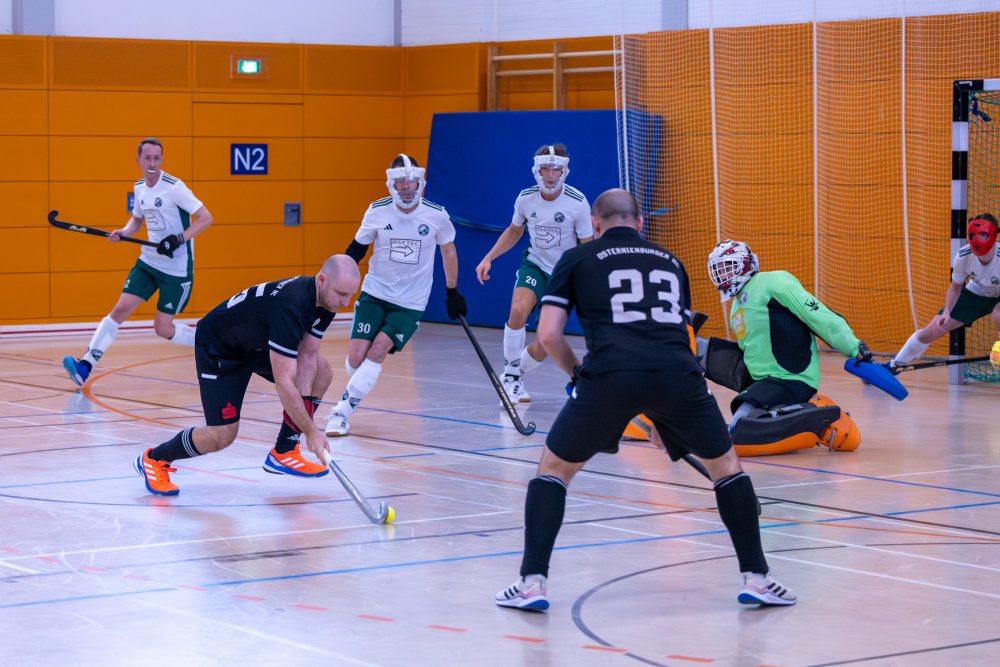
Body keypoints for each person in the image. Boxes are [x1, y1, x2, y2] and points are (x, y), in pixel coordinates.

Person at [495, 189, 797, 612]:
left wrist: (578, 376)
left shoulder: (577, 259)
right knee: (726, 467)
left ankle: (532, 583)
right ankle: (758, 578)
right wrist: (664, 417)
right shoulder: (671, 261)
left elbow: (547, 335)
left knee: (554, 470)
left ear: (595, 224)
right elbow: (676, 337)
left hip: (609, 375)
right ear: (640, 223)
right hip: (679, 377)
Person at [134, 255, 361, 495]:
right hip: (219, 348)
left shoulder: (326, 301)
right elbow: (284, 383)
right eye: (341, 294)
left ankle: (284, 451)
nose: (345, 302)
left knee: (322, 372)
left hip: (253, 345)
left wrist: (303, 429)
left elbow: (308, 356)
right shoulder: (292, 304)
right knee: (222, 435)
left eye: (350, 295)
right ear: (322, 280)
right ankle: (155, 458)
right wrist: (311, 431)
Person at [324, 154, 466, 437]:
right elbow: (356, 249)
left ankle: (340, 413)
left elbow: (448, 251)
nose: (407, 186)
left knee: (377, 350)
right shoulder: (377, 211)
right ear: (392, 183)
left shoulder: (436, 215)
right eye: (401, 181)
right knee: (356, 357)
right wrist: (337, 282)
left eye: (411, 180)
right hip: (375, 293)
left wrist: (452, 291)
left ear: (420, 181)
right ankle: (357, 387)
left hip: (410, 301)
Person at [63, 138, 214, 387]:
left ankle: (210, 343)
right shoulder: (140, 187)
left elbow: (206, 218)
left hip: (176, 270)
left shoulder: (174, 187)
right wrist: (123, 232)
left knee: (162, 328)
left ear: (161, 160)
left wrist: (178, 239)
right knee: (120, 309)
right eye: (147, 158)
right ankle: (86, 365)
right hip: (149, 262)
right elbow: (137, 220)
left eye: (157, 158)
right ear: (138, 160)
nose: (152, 163)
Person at [704, 239, 868, 454]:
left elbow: (817, 314)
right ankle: (791, 414)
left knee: (740, 429)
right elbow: (751, 350)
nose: (723, 275)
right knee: (703, 352)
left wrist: (854, 348)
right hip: (763, 380)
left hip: (790, 377)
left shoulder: (773, 282)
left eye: (728, 267)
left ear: (745, 264)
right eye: (718, 271)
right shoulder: (736, 307)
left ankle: (816, 411)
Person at [475, 144, 592, 402]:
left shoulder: (578, 202)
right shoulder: (526, 198)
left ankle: (515, 374)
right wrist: (488, 258)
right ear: (536, 170)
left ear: (564, 170)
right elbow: (514, 230)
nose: (550, 175)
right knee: (518, 310)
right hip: (535, 265)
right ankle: (510, 377)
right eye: (545, 169)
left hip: (565, 274)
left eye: (555, 169)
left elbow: (587, 245)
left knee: (546, 341)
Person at [890, 214, 1000, 368]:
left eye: (982, 234)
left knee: (998, 314)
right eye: (972, 235)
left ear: (994, 235)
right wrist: (947, 311)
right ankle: (894, 365)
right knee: (931, 330)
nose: (977, 239)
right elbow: (955, 286)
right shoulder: (963, 255)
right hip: (976, 293)